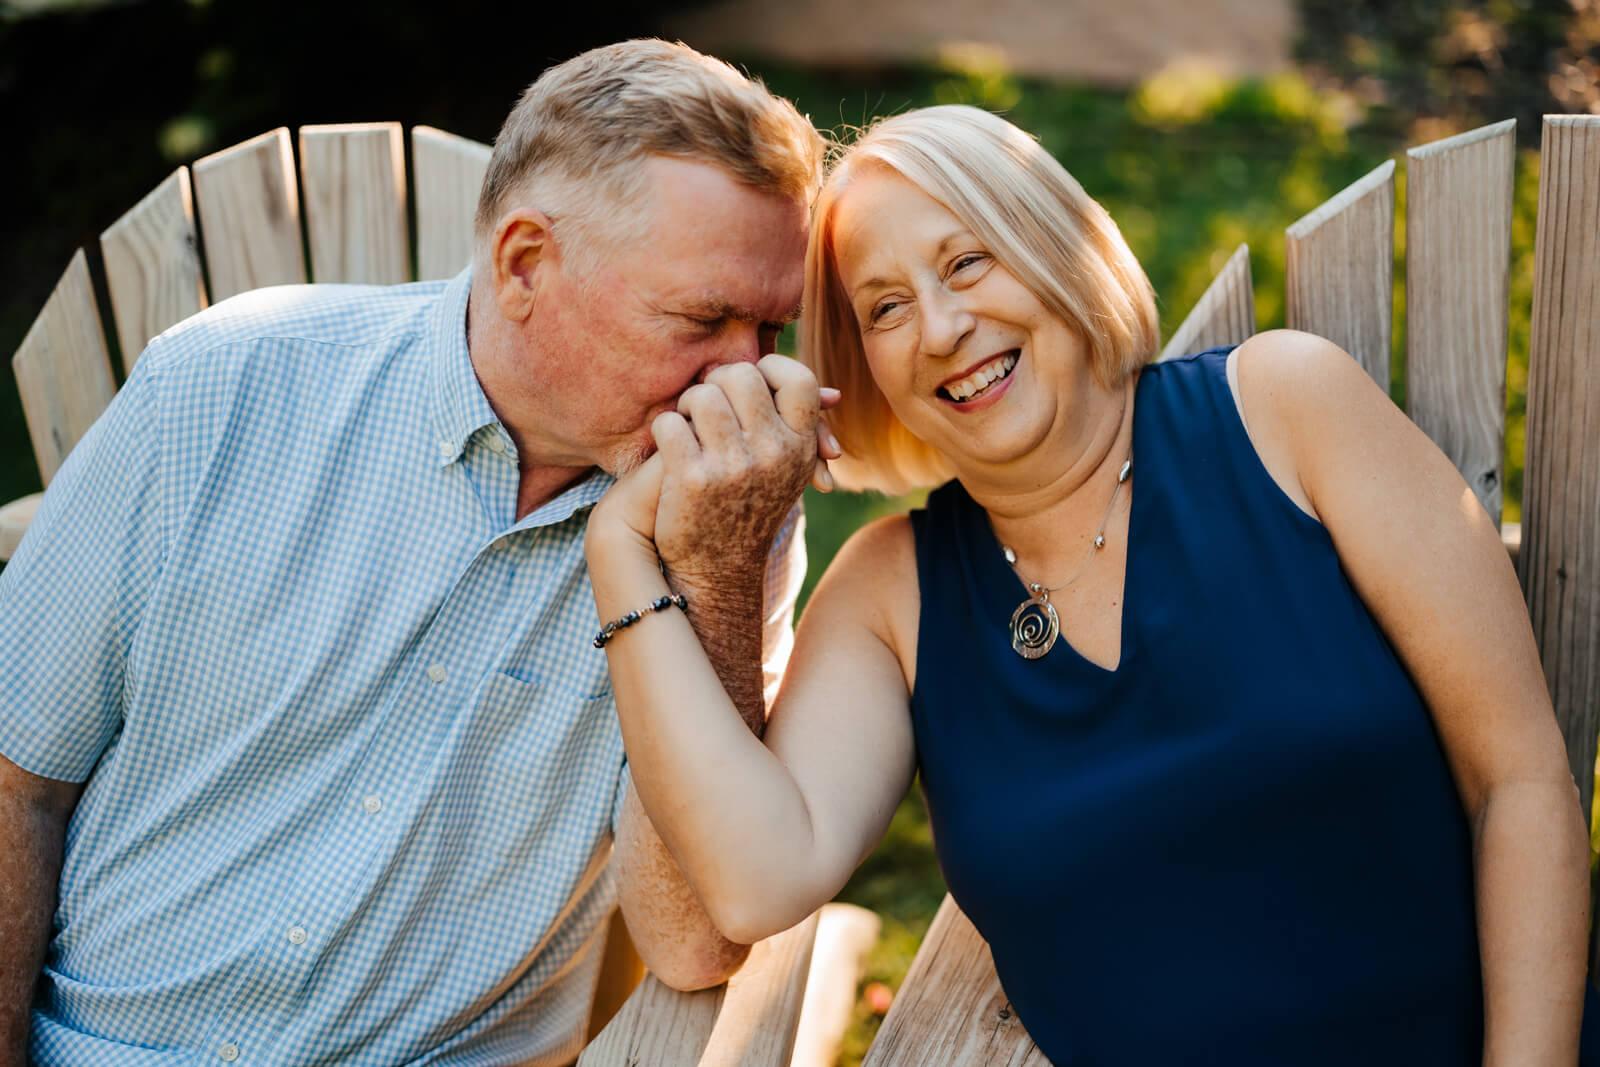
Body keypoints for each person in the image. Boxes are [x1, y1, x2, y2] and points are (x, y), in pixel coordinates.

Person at [586, 103, 1599, 1064]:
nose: (939, 328)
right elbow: (758, 875)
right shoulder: (893, 594)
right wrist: (620, 555)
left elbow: (1519, 782)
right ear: (866, 367)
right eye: (887, 307)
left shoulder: (1288, 414)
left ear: (1056, 246)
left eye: (966, 261)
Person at [0, 39, 834, 1066]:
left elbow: (694, 937)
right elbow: (13, 780)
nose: (742, 381)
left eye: (770, 330)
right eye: (704, 319)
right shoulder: (216, 394)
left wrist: (713, 570)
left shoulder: (732, 516)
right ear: (526, 263)